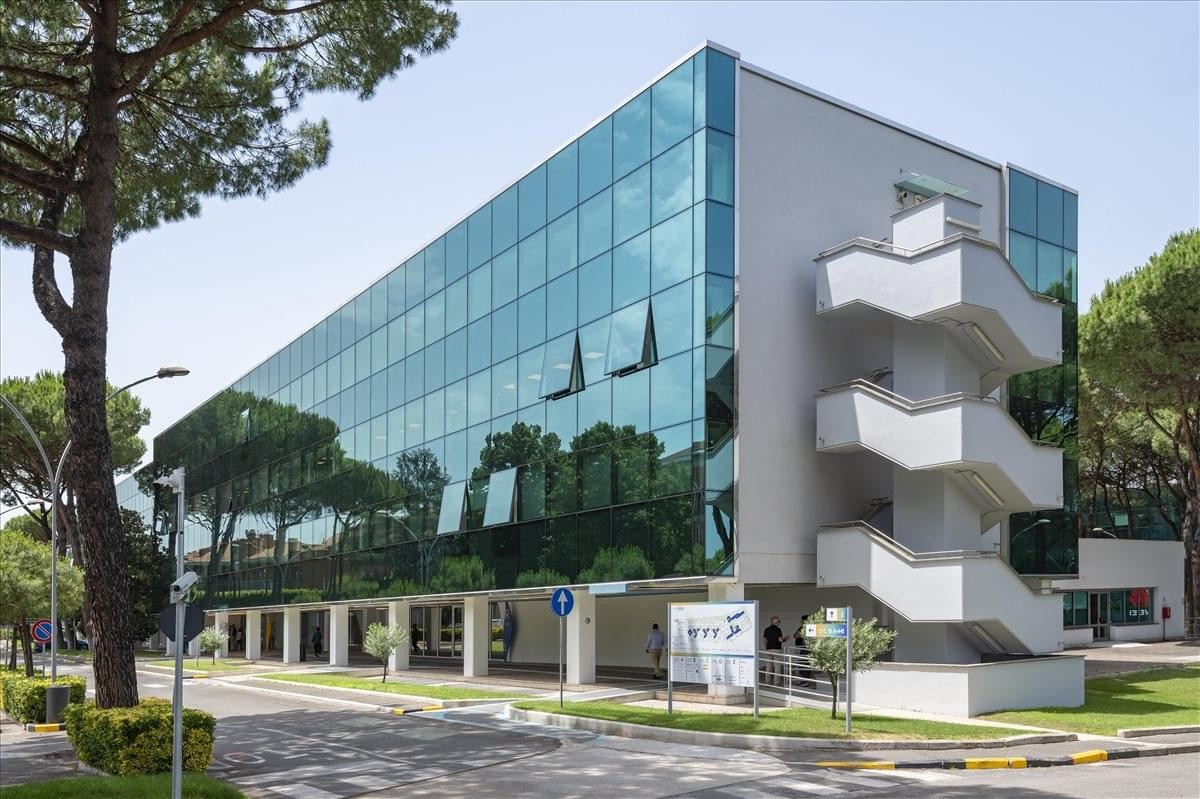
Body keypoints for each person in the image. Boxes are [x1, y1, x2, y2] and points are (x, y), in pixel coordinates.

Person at [763, 615, 784, 686]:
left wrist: (766, 649)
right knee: (777, 667)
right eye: (779, 621)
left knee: (768, 667)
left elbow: (765, 640)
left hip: (769, 650)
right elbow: (780, 640)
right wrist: (785, 639)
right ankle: (776, 683)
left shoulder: (766, 629)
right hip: (777, 650)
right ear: (776, 622)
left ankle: (767, 682)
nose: (779, 623)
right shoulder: (778, 630)